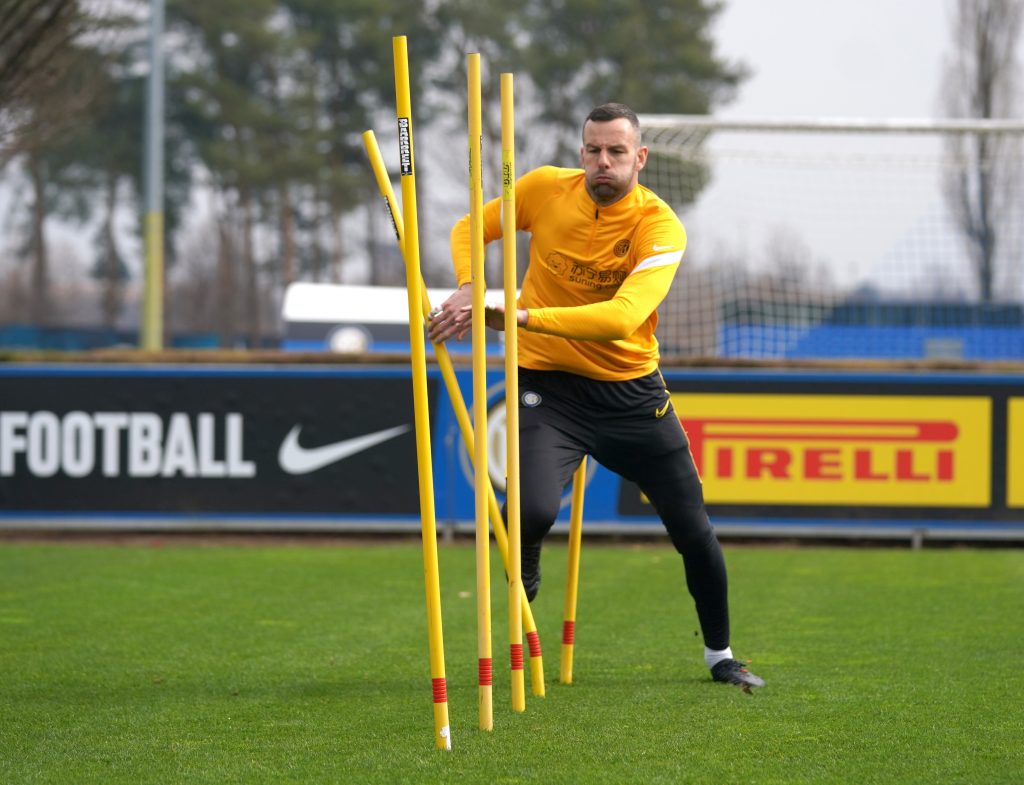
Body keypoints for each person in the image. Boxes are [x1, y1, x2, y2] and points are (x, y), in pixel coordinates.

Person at [427, 102, 764, 691]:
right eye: (592, 150)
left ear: (640, 157)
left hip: (633, 397)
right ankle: (524, 567)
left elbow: (622, 317)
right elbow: (468, 228)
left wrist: (520, 314)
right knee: (528, 512)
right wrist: (468, 286)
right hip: (549, 389)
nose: (601, 163)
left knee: (693, 531)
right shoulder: (542, 189)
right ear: (580, 151)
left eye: (615, 152)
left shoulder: (659, 225)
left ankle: (721, 654)